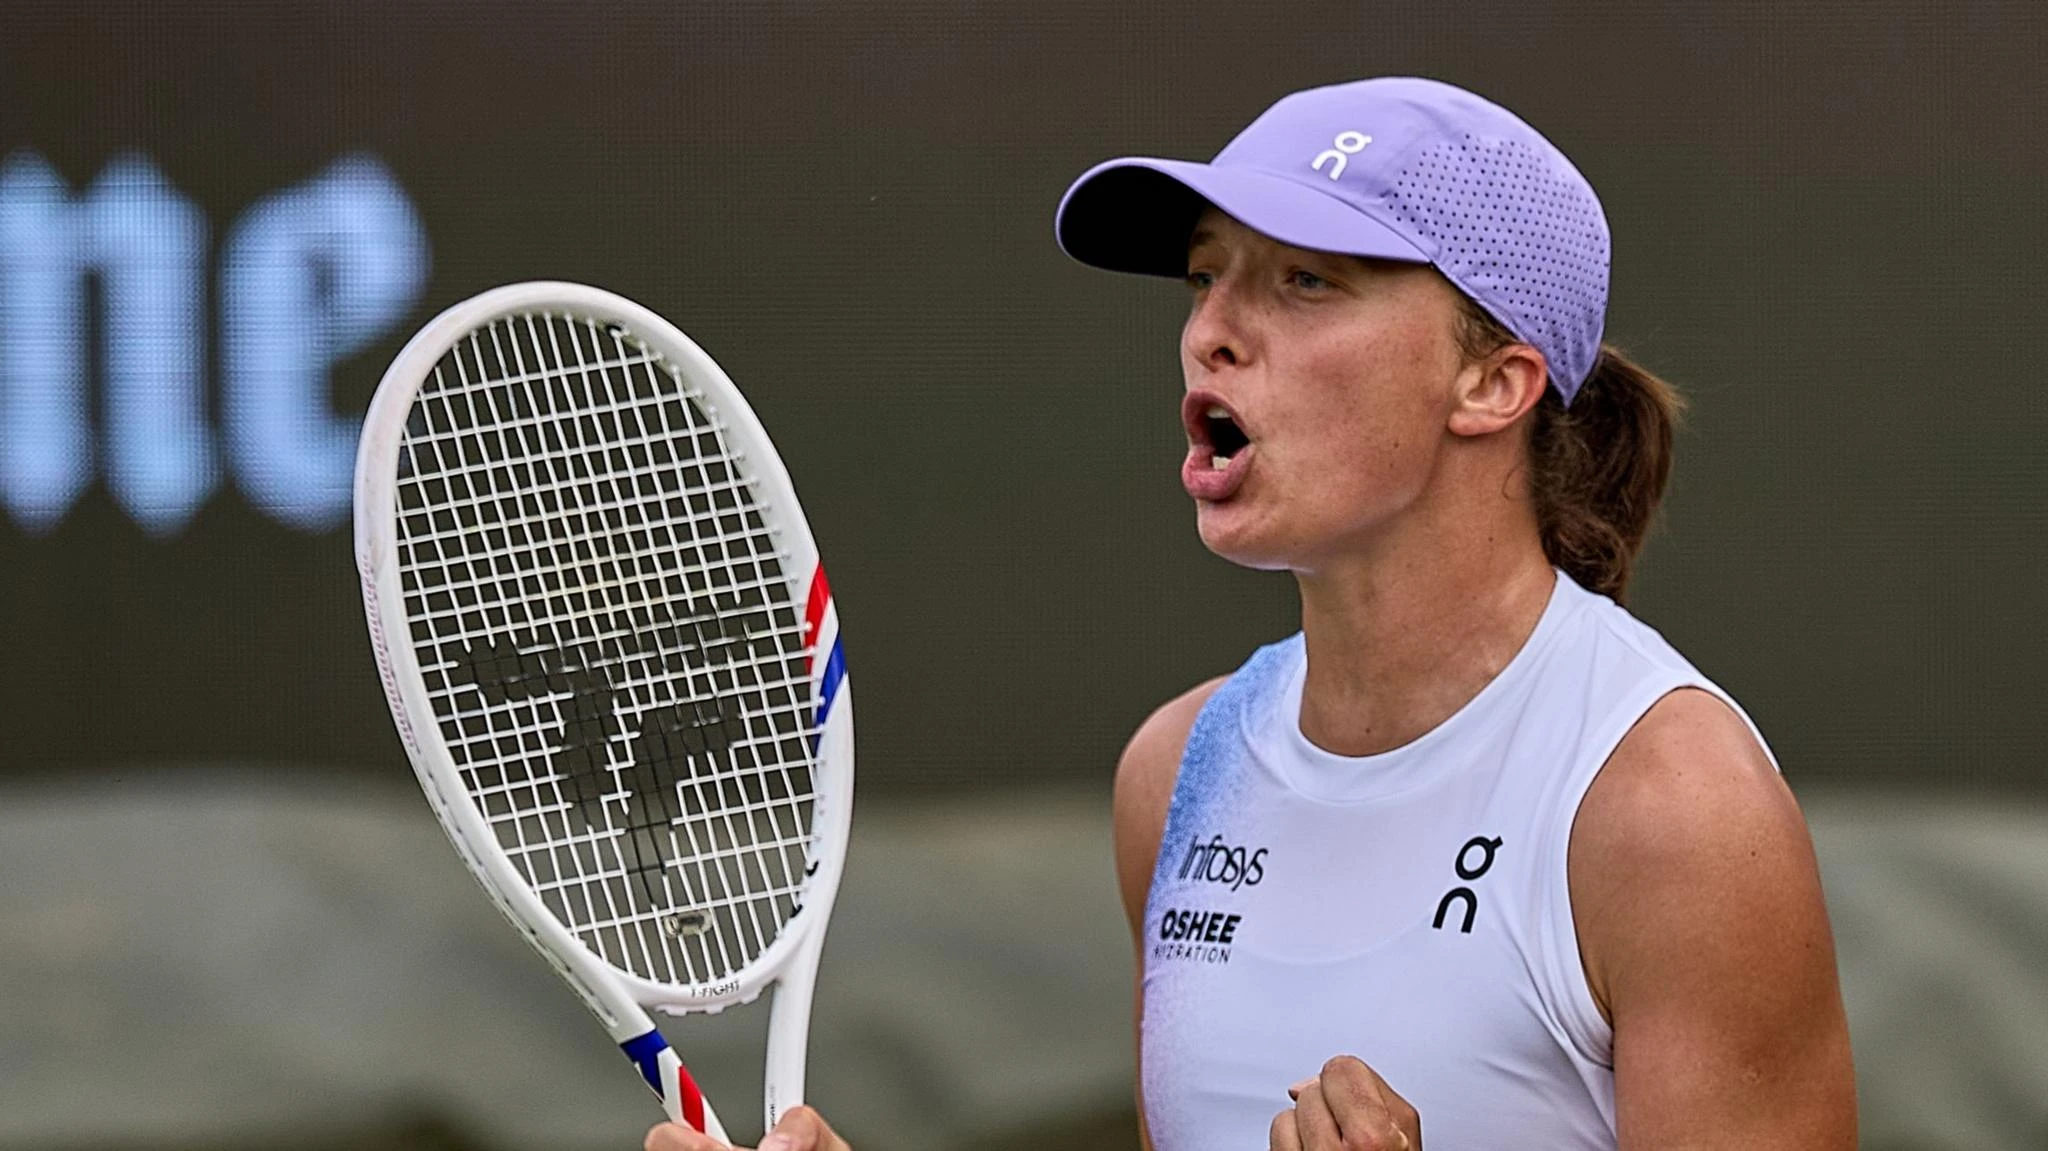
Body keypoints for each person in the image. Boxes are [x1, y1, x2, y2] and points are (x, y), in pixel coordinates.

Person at [649, 76, 1856, 1151]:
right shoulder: (1174, 771)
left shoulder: (1670, 809)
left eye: (1304, 280)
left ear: (1492, 381)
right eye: (1204, 275)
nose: (1208, 332)